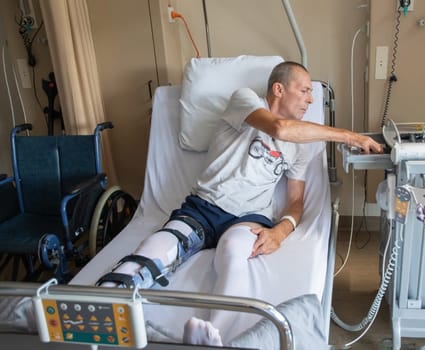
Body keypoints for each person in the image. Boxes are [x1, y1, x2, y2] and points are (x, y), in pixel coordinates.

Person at [96, 61, 383, 344]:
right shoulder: (244, 99)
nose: (310, 98)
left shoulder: (303, 144)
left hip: (249, 217)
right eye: (305, 90)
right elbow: (280, 129)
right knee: (168, 240)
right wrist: (348, 136)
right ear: (279, 89)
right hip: (203, 207)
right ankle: (109, 294)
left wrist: (281, 230)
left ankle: (209, 334)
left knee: (235, 251)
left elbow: (295, 201)